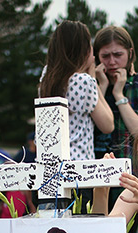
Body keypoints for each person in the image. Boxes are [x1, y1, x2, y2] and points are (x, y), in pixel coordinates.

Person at [39, 20, 113, 210]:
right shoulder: (82, 81)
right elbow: (107, 124)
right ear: (82, 49)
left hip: (51, 171)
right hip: (79, 173)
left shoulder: (47, 76)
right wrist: (92, 77)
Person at [93, 26, 138, 172]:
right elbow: (86, 128)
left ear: (130, 53)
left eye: (118, 55)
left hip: (132, 171)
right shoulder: (90, 85)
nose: (111, 62)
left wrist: (119, 95)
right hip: (94, 170)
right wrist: (101, 88)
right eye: (105, 56)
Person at [0, 132, 36, 218]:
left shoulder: (39, 154)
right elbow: (11, 163)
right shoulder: (23, 153)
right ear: (30, 142)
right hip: (24, 190)